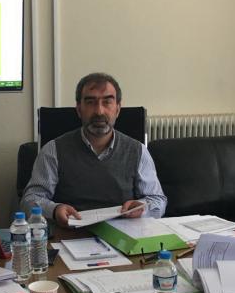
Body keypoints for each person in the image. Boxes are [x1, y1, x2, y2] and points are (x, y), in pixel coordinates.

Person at [22, 72, 167, 227]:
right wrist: (55, 210)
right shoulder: (53, 150)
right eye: (91, 102)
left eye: (107, 102)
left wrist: (142, 208)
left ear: (117, 109)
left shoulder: (138, 151)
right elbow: (30, 199)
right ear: (79, 109)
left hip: (124, 234)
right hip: (70, 234)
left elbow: (158, 200)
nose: (99, 111)